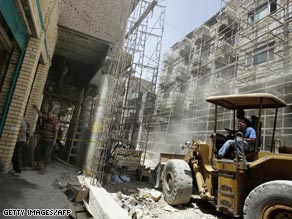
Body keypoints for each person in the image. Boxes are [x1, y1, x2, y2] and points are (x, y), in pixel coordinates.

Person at [34, 105, 59, 173]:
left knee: (47, 154)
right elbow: (41, 114)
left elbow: (56, 132)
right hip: (42, 139)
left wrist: (54, 140)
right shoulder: (46, 118)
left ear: (53, 115)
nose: (48, 116)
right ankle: (38, 166)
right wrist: (36, 108)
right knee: (38, 151)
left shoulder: (55, 122)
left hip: (50, 141)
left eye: (50, 114)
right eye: (48, 114)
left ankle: (44, 169)